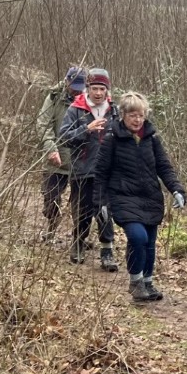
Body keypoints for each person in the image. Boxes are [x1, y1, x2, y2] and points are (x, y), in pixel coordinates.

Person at [93, 92, 186, 302]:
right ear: (123, 115)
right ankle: (136, 282)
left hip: (150, 197)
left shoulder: (152, 139)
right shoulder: (111, 139)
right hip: (123, 197)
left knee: (149, 243)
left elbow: (164, 167)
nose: (137, 120)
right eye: (133, 115)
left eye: (141, 115)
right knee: (138, 237)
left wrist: (177, 190)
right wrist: (100, 203)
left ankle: (148, 282)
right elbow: (101, 173)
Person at [58, 68, 119, 271]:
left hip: (107, 171)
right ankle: (78, 243)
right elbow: (63, 137)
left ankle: (107, 251)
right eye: (94, 88)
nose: (98, 93)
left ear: (107, 90)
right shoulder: (75, 109)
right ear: (88, 88)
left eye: (102, 89)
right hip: (82, 169)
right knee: (82, 210)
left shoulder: (115, 110)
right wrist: (87, 129)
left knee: (104, 210)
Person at [36, 66, 86, 241]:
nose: (76, 91)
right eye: (73, 87)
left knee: (81, 204)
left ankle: (79, 238)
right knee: (51, 198)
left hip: (80, 160)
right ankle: (52, 226)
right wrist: (50, 148)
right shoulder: (53, 97)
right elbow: (43, 124)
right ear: (66, 81)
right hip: (56, 159)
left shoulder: (89, 100)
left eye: (80, 88)